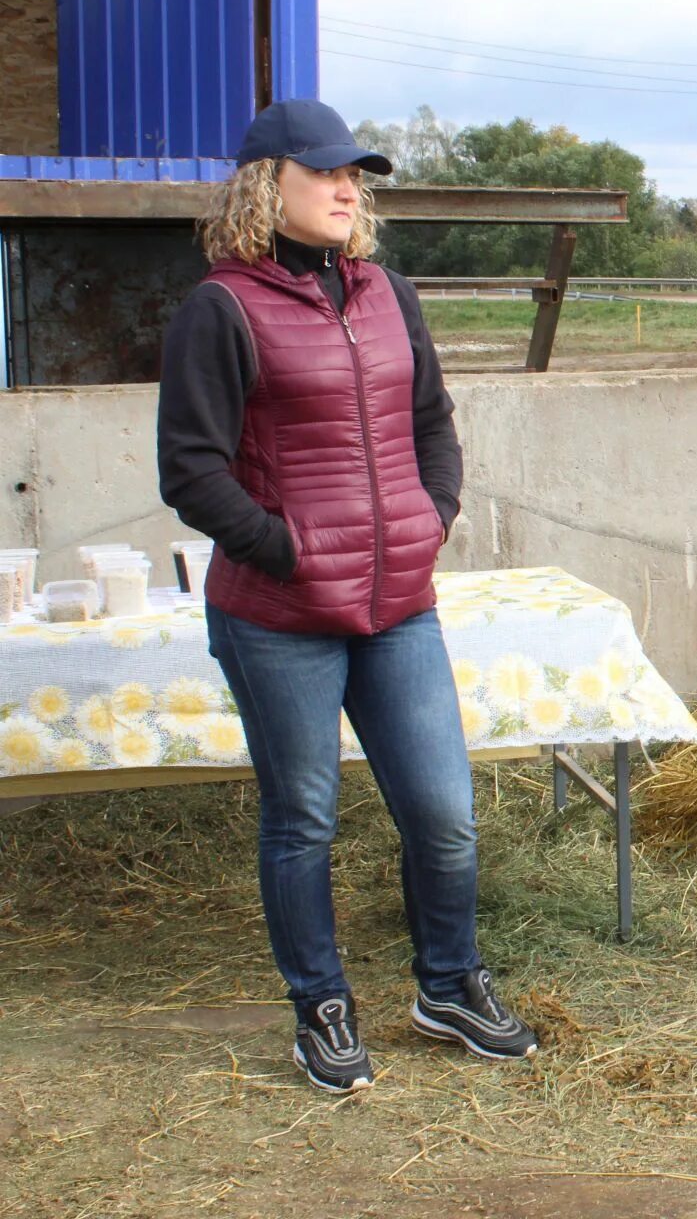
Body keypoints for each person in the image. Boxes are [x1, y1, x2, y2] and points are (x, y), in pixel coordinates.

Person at [157, 99, 539, 1094]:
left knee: (445, 811)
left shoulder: (386, 295)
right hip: (277, 613)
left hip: (397, 603)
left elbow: (432, 422)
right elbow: (192, 470)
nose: (346, 189)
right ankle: (320, 1005)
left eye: (354, 176)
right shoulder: (222, 308)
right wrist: (284, 547)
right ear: (264, 183)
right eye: (324, 172)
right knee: (303, 818)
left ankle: (448, 983)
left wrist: (433, 513)